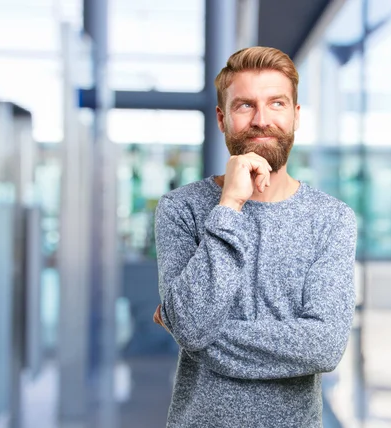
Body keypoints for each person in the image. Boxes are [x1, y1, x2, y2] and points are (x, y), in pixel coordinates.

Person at [152, 46, 357, 428]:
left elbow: (324, 346)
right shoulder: (182, 209)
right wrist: (229, 205)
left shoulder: (332, 220)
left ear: (295, 116)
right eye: (245, 105)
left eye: (276, 103)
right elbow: (191, 325)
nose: (262, 120)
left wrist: (195, 332)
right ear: (222, 119)